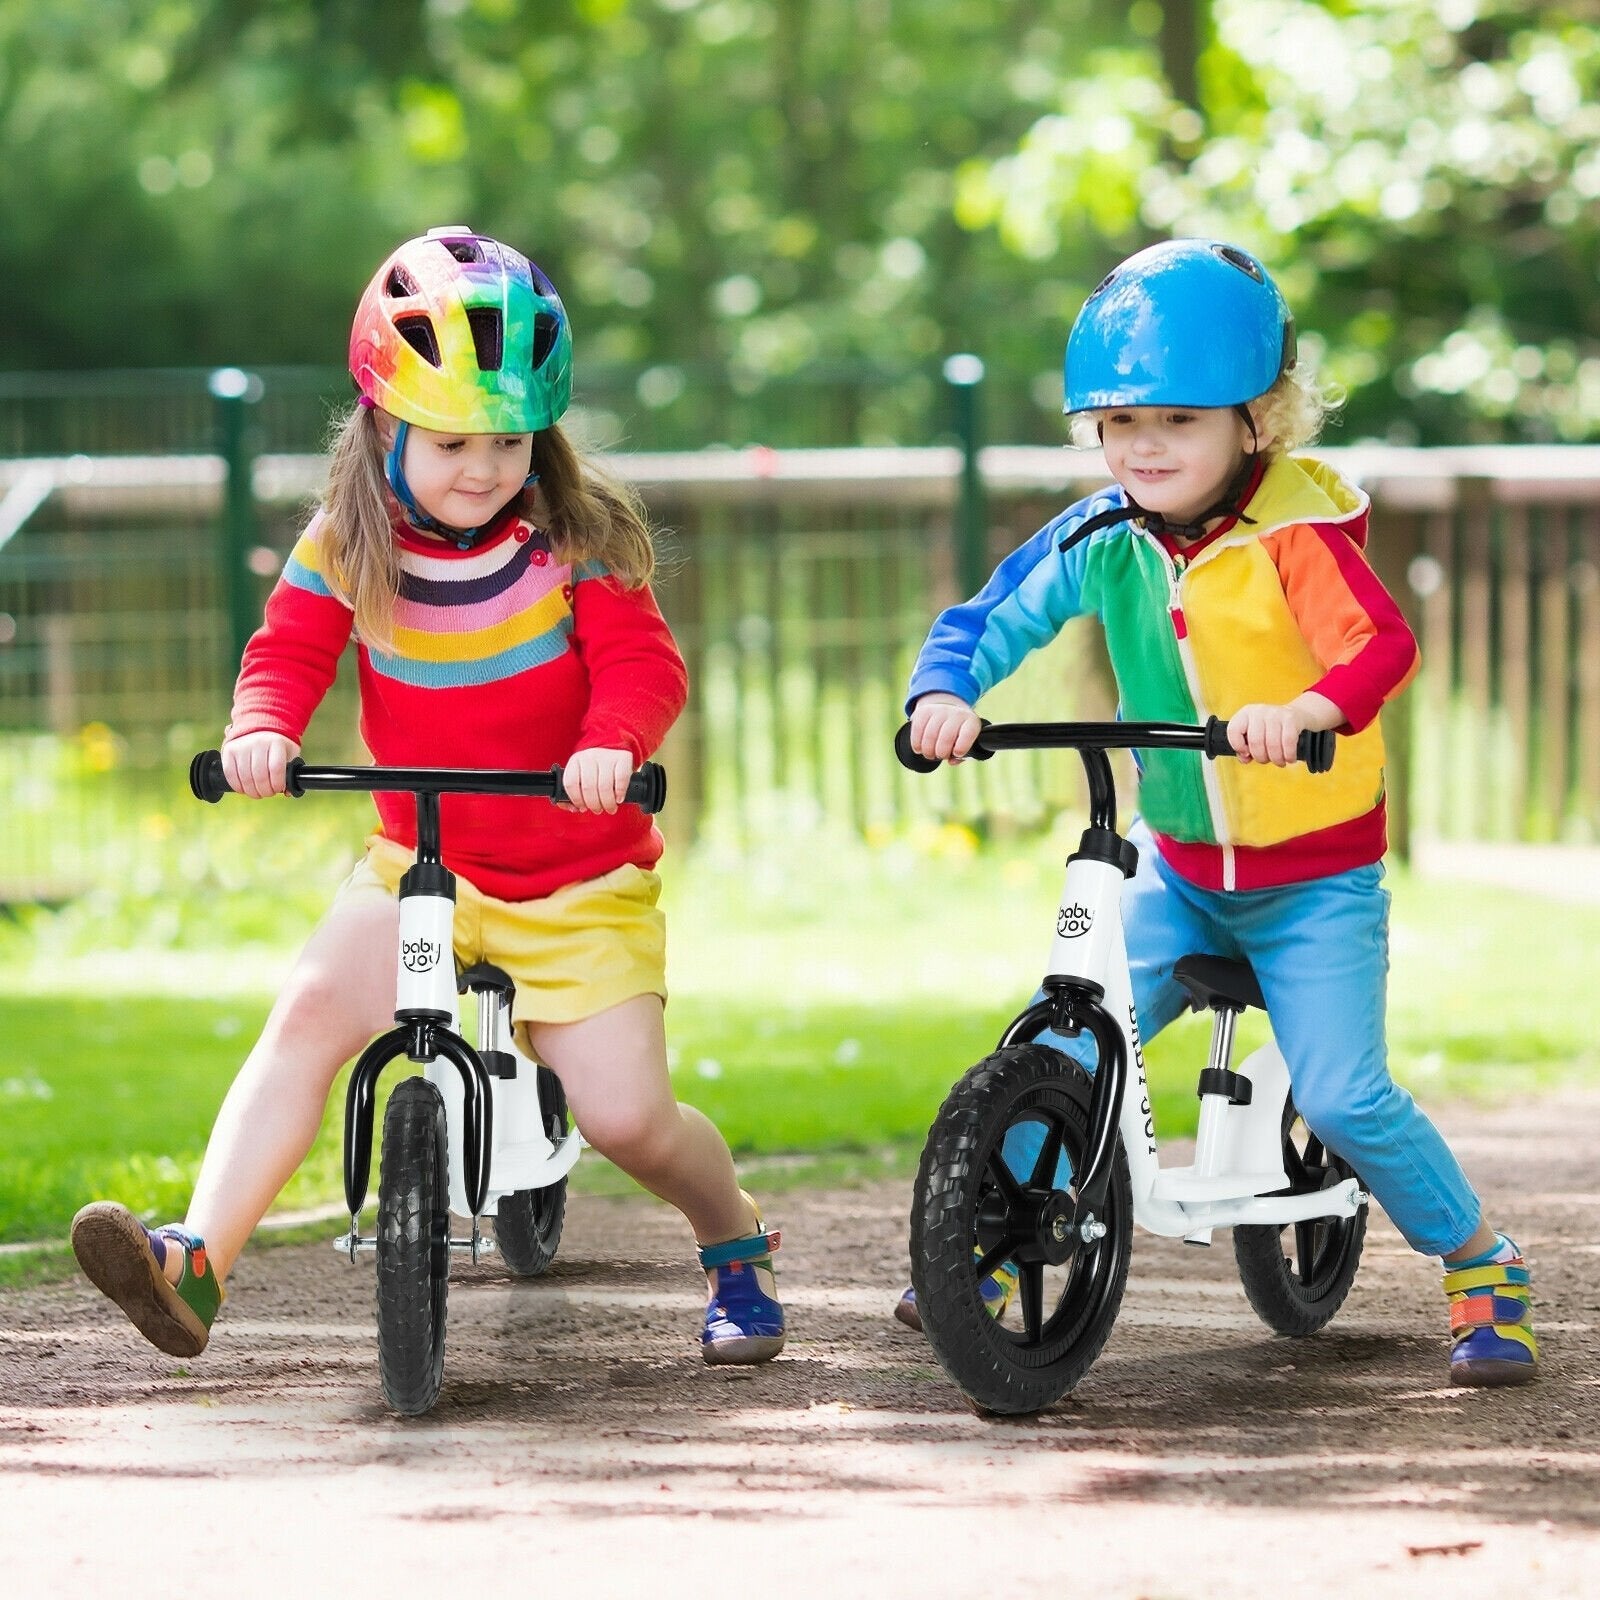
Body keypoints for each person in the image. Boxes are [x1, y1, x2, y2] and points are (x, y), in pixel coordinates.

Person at [71, 226, 784, 1368]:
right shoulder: (349, 541)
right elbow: (288, 650)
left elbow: (646, 669)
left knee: (629, 1118)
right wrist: (262, 730)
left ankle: (732, 1236)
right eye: (451, 439)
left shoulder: (575, 541)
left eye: (508, 439)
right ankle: (194, 1263)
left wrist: (611, 741)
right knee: (306, 1015)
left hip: (576, 876)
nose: (483, 467)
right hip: (418, 864)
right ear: (381, 421)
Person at [894, 238, 1536, 1388]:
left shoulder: (1295, 535)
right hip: (1181, 870)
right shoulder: (1104, 533)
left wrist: (1305, 707)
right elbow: (991, 613)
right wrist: (945, 693)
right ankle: (984, 1246)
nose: (1143, 447)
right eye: (1119, 422)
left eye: (1177, 421)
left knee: (1342, 1091)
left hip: (1311, 882)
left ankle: (1481, 1265)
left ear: (1258, 419)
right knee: (1063, 1035)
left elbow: (1375, 645)